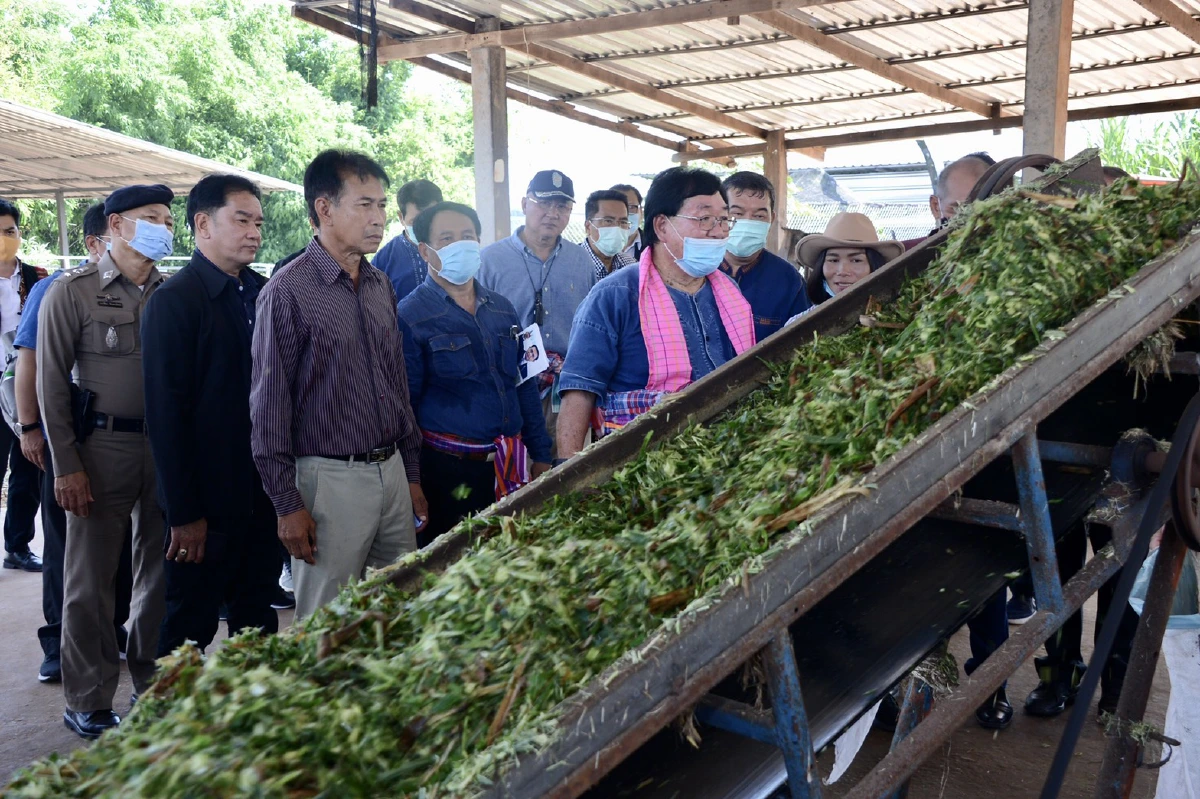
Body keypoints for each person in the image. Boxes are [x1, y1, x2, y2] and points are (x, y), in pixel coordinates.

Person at [251, 150, 424, 621]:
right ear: (324, 209)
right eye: (365, 205)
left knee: (404, 608)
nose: (379, 219)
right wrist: (288, 504)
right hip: (328, 481)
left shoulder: (379, 284)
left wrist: (409, 473)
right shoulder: (286, 292)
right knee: (327, 623)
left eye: (383, 206)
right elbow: (269, 409)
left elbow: (396, 385)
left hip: (389, 470)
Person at [37, 183, 174, 739]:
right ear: (116, 225)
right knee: (90, 581)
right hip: (100, 449)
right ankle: (88, 697)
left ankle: (153, 685)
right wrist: (65, 464)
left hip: (162, 452)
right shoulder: (73, 292)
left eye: (168, 218)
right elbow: (49, 384)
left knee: (159, 572)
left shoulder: (171, 292)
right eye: (150, 217)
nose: (163, 227)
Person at [142, 175, 280, 656]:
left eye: (258, 222)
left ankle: (250, 724)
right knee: (188, 627)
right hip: (206, 505)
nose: (254, 233)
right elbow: (166, 418)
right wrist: (184, 514)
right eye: (241, 220)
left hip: (264, 494)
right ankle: (167, 725)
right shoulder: (174, 302)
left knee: (258, 621)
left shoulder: (265, 294)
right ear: (202, 224)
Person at [557, 167, 757, 456]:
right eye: (705, 219)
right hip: (642, 463)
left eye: (724, 219)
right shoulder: (615, 296)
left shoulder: (729, 293)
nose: (719, 230)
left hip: (728, 455)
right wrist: (567, 474)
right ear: (662, 226)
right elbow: (579, 389)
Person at [17, 203, 132, 683]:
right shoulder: (53, 289)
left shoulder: (150, 289)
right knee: (68, 550)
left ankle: (110, 634)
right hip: (74, 436)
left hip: (125, 447)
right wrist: (32, 430)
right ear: (94, 242)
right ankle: (58, 643)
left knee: (120, 550)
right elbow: (31, 365)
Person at [397, 202, 552, 545]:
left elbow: (523, 383)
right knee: (453, 568)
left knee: (511, 560)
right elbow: (403, 407)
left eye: (467, 236)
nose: (460, 245)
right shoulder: (409, 316)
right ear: (425, 251)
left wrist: (541, 454)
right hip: (446, 472)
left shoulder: (503, 308)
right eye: (447, 238)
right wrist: (411, 479)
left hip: (510, 462)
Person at [478, 170, 596, 460]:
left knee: (572, 470)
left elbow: (592, 325)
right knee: (516, 474)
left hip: (567, 389)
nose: (552, 213)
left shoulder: (581, 260)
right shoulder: (490, 260)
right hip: (513, 388)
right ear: (524, 204)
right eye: (543, 203)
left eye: (562, 207)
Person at [0, 197, 46, 573]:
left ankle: (18, 546)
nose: (5, 238)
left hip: (26, 386)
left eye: (10, 230)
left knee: (27, 469)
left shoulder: (39, 277)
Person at [719, 171, 811, 340]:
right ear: (721, 214)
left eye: (759, 216)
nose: (748, 222)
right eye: (737, 213)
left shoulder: (789, 280)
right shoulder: (698, 270)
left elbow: (802, 342)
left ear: (772, 218)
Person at [794, 212, 903, 306]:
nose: (842, 271)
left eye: (856, 260)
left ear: (875, 265)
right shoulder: (797, 323)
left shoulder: (899, 320)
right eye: (833, 260)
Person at [372, 179, 442, 300]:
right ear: (401, 218)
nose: (424, 227)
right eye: (415, 221)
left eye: (431, 218)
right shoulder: (383, 262)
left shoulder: (458, 249)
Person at [581, 189, 634, 281]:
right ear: (588, 227)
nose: (617, 228)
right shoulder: (570, 266)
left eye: (623, 222)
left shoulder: (630, 266)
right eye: (608, 221)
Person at [611, 183, 644, 261]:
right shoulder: (590, 250)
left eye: (631, 207)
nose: (624, 214)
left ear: (641, 212)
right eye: (616, 207)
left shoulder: (656, 247)